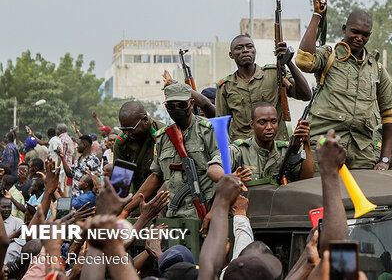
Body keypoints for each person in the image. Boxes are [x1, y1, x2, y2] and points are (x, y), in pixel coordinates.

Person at [296, 0, 392, 170]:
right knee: (321, 194)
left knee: (359, 197)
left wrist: (385, 159)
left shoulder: (377, 69)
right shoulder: (329, 55)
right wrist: (317, 15)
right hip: (323, 146)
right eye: (355, 32)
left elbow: (391, 114)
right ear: (345, 29)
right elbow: (304, 61)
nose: (359, 38)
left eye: (365, 35)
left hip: (362, 155)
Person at [123, 82, 221, 218]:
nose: (176, 109)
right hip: (174, 215)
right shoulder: (163, 137)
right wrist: (126, 210)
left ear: (191, 104)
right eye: (171, 106)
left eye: (181, 105)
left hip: (206, 213)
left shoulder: (209, 130)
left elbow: (225, 176)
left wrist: (214, 212)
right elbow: (156, 176)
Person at [216, 34, 312, 141]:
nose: (245, 50)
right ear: (231, 55)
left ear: (255, 51)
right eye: (239, 48)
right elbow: (221, 127)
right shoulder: (225, 86)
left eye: (249, 47)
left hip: (276, 147)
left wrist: (288, 61)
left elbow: (306, 95)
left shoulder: (274, 74)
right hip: (244, 151)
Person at [207, 102, 314, 184]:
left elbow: (306, 179)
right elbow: (213, 169)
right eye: (262, 122)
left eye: (273, 122)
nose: (269, 127)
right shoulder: (240, 150)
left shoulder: (285, 150)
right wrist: (229, 178)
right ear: (252, 124)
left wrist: (306, 145)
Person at [114, 101, 163, 191]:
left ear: (145, 120)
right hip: (137, 192)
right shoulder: (121, 142)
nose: (128, 134)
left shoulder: (163, 136)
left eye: (131, 129)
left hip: (161, 192)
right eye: (124, 130)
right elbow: (121, 182)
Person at [0, 197, 25, 266]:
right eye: (4, 207)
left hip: (10, 252)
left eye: (9, 207)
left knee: (12, 249)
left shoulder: (18, 222)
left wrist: (11, 239)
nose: (7, 209)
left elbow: (21, 241)